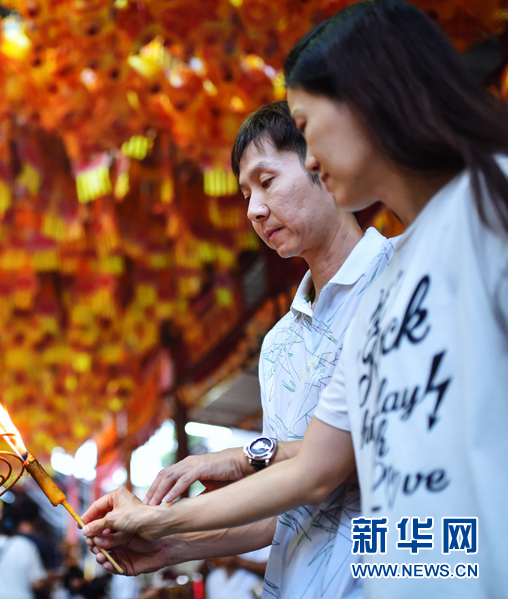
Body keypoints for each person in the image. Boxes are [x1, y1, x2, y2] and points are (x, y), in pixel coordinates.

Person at [80, 2, 508, 597]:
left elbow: (330, 483)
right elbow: (323, 478)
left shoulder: (490, 204)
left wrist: (175, 514)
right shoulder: (389, 287)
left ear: (368, 100)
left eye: (306, 130)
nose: (310, 158)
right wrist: (170, 538)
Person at [90, 100, 397, 598]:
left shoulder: (401, 278)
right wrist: (172, 544)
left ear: (321, 163)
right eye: (245, 192)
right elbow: (285, 507)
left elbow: (348, 462)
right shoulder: (278, 345)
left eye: (267, 181)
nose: (253, 209)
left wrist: (243, 460)